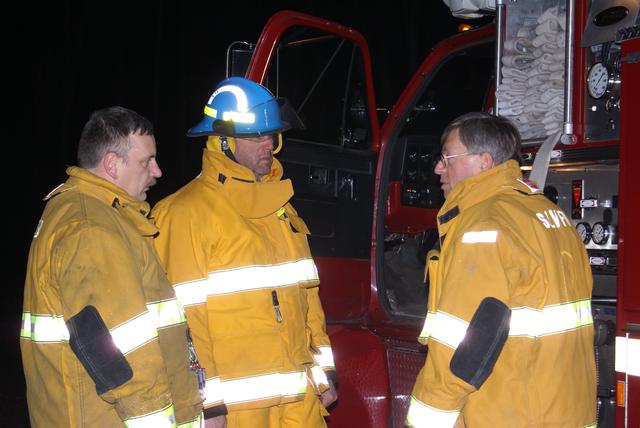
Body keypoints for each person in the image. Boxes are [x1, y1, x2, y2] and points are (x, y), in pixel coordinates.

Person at [151, 77, 338, 427]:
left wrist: (324, 371)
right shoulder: (183, 214)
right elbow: (183, 321)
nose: (267, 144)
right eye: (255, 137)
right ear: (222, 141)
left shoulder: (281, 208)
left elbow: (308, 297)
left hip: (299, 402)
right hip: (238, 412)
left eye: (271, 135)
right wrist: (207, 402)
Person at [406, 112, 596, 427]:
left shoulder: (482, 225)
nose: (439, 167)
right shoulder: (551, 215)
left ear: (484, 161)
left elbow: (460, 345)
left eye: (447, 157)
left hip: (509, 412)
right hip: (566, 411)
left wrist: (425, 420)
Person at [20, 106, 203, 427]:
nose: (158, 171)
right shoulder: (92, 228)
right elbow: (122, 349)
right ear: (111, 164)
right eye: (147, 161)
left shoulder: (91, 213)